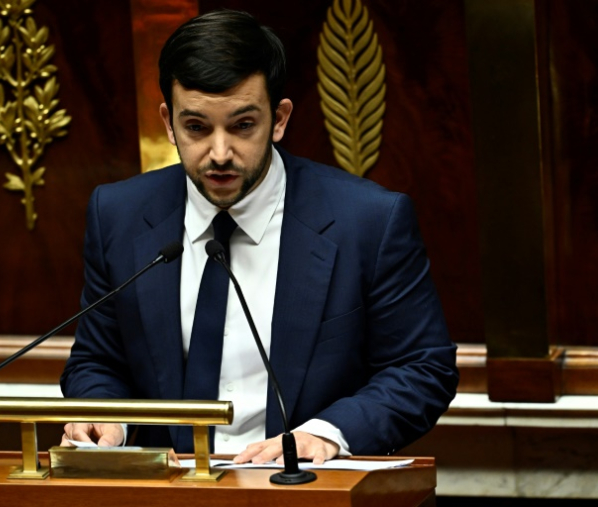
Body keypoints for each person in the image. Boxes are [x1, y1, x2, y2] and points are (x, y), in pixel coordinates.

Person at [60, 9, 458, 465]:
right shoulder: (119, 215)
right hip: (167, 490)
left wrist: (326, 435)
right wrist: (104, 415)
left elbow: (422, 368)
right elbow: (97, 360)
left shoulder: (367, 221)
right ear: (169, 123)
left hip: (303, 488)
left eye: (243, 125)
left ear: (280, 118)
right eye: (196, 128)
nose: (220, 152)